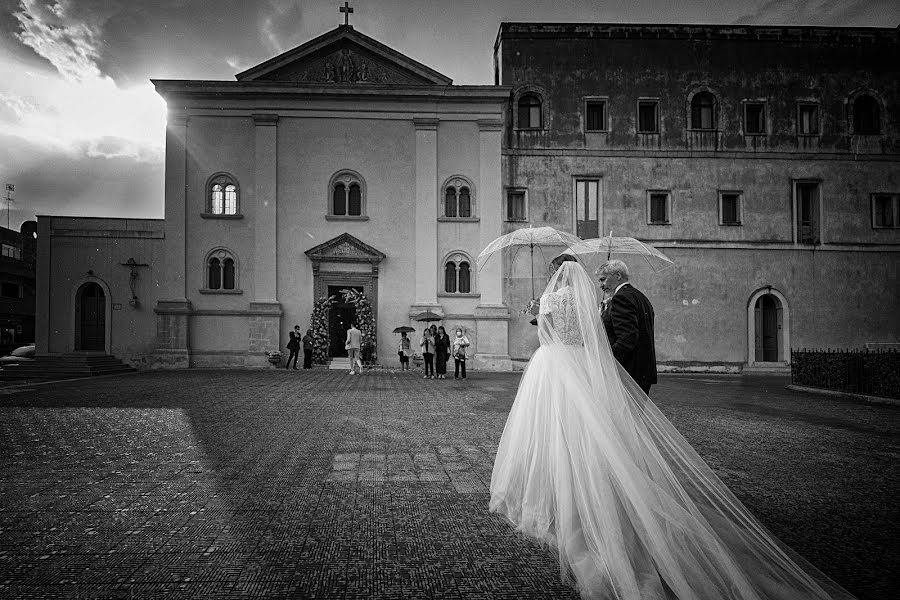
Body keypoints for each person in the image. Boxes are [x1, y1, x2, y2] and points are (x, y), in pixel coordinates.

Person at [490, 260, 854, 600]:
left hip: (566, 369)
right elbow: (592, 335)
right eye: (596, 278)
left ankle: (568, 496)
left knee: (558, 434)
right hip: (589, 369)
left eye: (604, 278)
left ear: (556, 276)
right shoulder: (609, 299)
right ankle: (602, 482)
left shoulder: (560, 299)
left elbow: (564, 337)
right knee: (597, 435)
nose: (599, 282)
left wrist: (541, 317)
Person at [598, 259, 657, 395]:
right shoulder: (640, 297)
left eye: (603, 279)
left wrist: (609, 361)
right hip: (643, 371)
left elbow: (627, 337)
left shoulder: (621, 299)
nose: (601, 285)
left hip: (629, 371)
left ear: (618, 276)